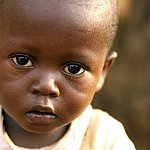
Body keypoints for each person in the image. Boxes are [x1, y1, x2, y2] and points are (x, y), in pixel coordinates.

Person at [0, 0, 136, 149]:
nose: (46, 86)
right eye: (22, 61)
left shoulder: (105, 139)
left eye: (73, 69)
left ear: (103, 70)